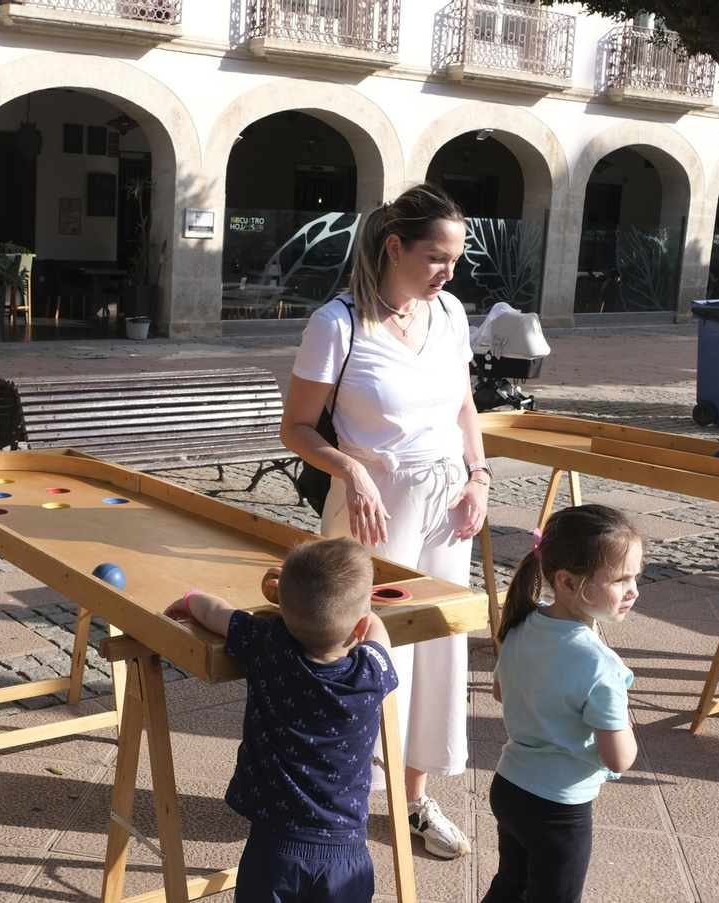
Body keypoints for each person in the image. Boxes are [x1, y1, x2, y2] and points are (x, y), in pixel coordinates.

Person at [279, 182, 487, 859]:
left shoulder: (450, 311)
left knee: (435, 648)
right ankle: (341, 795)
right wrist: (351, 467)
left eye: (455, 259)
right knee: (363, 650)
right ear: (394, 246)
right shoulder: (337, 322)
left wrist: (479, 475)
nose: (448, 273)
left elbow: (464, 409)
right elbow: (297, 428)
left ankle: (415, 797)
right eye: (435, 258)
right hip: (371, 511)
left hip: (445, 506)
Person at [162, 537, 397, 903]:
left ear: (282, 612)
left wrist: (191, 598)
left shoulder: (267, 644)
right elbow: (378, 638)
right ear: (359, 628)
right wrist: (358, 609)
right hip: (345, 852)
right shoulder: (370, 674)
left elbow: (215, 611)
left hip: (273, 848)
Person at [484, 505, 640, 903]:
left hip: (509, 787)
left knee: (509, 885)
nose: (634, 591)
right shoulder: (602, 666)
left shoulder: (522, 621)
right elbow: (619, 759)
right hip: (558, 810)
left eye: (636, 577)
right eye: (621, 579)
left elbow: (501, 693)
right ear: (568, 582)